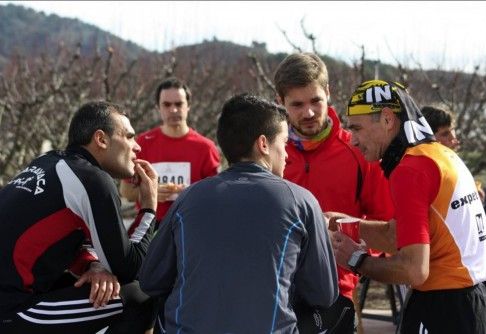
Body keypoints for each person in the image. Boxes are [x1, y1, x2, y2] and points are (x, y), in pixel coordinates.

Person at [139, 93, 338, 333]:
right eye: (284, 143)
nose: (286, 155)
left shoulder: (188, 197)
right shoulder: (301, 201)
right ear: (263, 144)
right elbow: (323, 294)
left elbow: (151, 280)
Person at [332, 79, 486, 333]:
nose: (353, 140)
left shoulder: (410, 170)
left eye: (357, 129)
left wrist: (356, 260)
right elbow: (401, 235)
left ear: (387, 120)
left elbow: (413, 269)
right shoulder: (437, 153)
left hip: (444, 305)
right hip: (473, 300)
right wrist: (346, 223)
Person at [0, 101, 159, 334]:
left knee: (97, 286)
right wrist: (149, 207)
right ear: (101, 139)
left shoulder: (47, 162)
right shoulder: (93, 179)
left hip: (17, 295)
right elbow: (129, 267)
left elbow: (55, 240)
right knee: (142, 296)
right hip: (12, 310)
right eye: (129, 137)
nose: (137, 147)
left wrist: (92, 264)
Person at [273, 52, 394, 333]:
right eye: (297, 104)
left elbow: (386, 222)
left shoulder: (359, 151)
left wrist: (356, 259)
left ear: (328, 92)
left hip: (337, 293)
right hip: (275, 291)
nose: (309, 112)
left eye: (316, 101)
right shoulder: (269, 152)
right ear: (280, 102)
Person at [120, 77, 220, 222]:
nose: (173, 110)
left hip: (192, 225)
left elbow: (215, 195)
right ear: (158, 107)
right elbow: (126, 191)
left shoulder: (206, 148)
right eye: (166, 105)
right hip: (152, 226)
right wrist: (150, 193)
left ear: (188, 106)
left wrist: (191, 194)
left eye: (179, 104)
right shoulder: (141, 143)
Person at [421, 105, 486, 201]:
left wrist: (472, 189)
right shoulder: (422, 171)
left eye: (452, 130)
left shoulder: (452, 159)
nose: (454, 139)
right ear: (427, 138)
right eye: (445, 134)